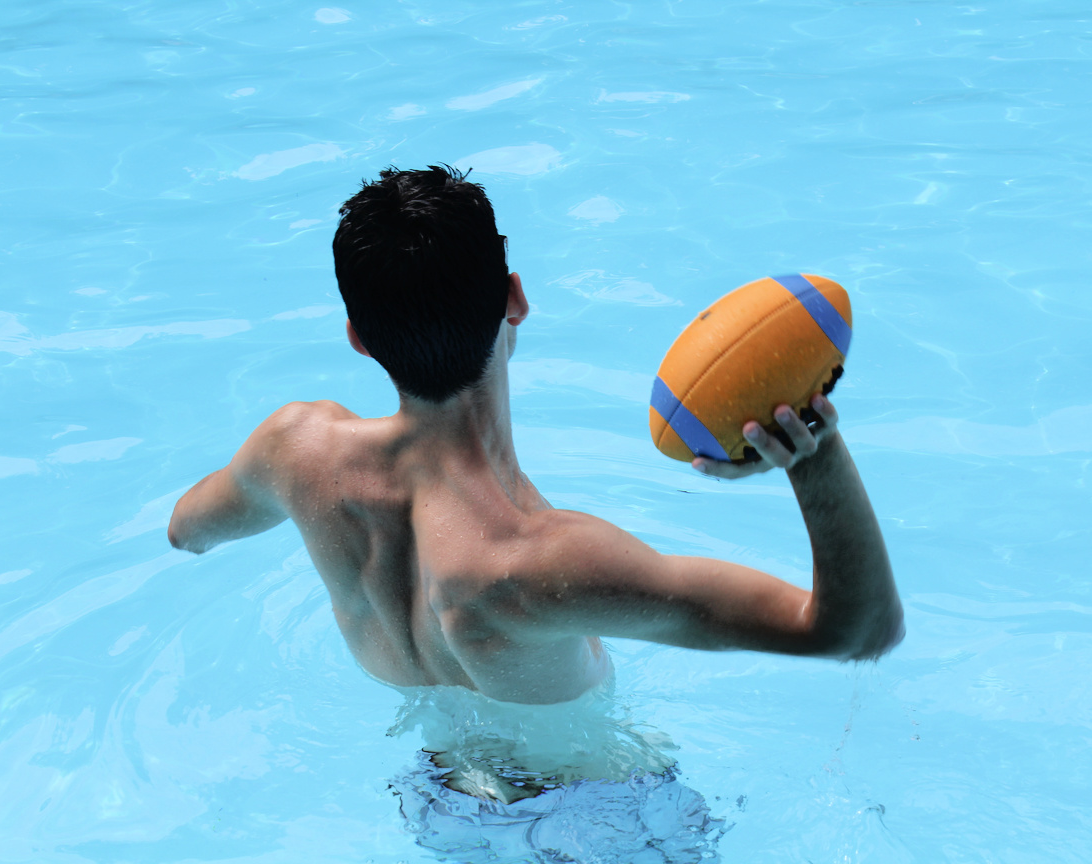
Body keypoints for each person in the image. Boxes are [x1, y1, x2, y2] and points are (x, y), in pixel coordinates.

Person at [167, 165, 904, 707]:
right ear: (516, 299)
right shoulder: (541, 563)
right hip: (593, 821)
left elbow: (186, 532)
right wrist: (813, 455)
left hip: (434, 795)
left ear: (360, 338)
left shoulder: (295, 451)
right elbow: (855, 632)